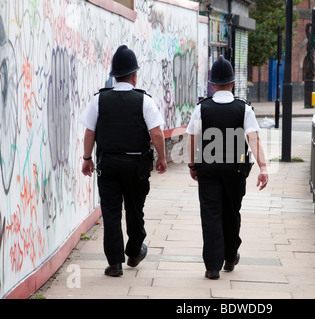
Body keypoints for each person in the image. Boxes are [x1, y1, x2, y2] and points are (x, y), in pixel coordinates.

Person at [79, 45, 167, 277]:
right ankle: (135, 249)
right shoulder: (144, 100)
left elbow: (90, 133)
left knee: (111, 212)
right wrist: (162, 158)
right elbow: (156, 133)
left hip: (107, 165)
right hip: (136, 165)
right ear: (135, 75)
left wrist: (87, 158)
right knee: (135, 209)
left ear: (113, 76)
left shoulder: (99, 100)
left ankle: (115, 263)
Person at [186, 55, 269, 279]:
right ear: (232, 83)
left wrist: (193, 165)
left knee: (211, 215)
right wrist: (263, 168)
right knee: (231, 213)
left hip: (208, 170)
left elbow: (192, 138)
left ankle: (212, 267)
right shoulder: (244, 109)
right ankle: (230, 257)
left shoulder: (202, 108)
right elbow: (254, 140)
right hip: (235, 171)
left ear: (213, 85)